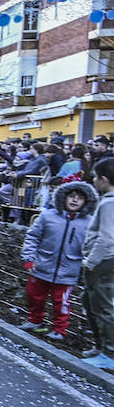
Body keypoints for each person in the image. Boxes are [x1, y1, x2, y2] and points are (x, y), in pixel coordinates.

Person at [20, 180, 98, 341]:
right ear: (63, 197)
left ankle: (59, 329)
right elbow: (33, 237)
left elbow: (93, 245)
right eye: (72, 196)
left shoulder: (89, 222)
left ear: (86, 202)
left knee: (61, 301)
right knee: (34, 295)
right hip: (41, 266)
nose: (75, 200)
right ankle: (36, 320)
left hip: (68, 270)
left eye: (80, 198)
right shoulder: (48, 216)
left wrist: (90, 262)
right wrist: (29, 258)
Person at [81, 157, 114, 369]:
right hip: (104, 259)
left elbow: (107, 237)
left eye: (95, 177)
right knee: (90, 302)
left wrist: (91, 261)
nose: (93, 181)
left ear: (103, 179)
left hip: (103, 260)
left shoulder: (109, 202)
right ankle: (101, 346)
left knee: (102, 306)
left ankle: (109, 353)